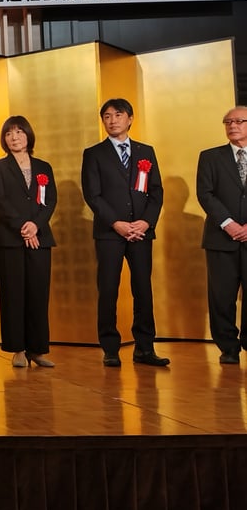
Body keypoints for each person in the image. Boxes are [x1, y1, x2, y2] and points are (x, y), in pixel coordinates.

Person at [81, 98, 168, 367]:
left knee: (143, 289)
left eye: (118, 115)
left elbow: (156, 191)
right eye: (107, 116)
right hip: (110, 233)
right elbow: (93, 195)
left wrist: (146, 222)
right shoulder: (94, 153)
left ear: (130, 119)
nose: (112, 120)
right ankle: (110, 348)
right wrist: (115, 223)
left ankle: (145, 348)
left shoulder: (146, 151)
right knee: (108, 289)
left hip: (141, 233)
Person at [0, 116, 57, 368]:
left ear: (28, 135)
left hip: (40, 238)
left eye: (18, 132)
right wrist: (23, 227)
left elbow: (50, 200)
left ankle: (37, 349)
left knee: (38, 294)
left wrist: (35, 225)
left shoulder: (43, 167)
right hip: (9, 239)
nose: (14, 137)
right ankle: (17, 349)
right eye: (8, 133)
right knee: (12, 294)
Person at [195, 106, 247, 365]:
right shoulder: (210, 157)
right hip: (220, 238)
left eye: (238, 121)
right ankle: (228, 347)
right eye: (228, 122)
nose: (232, 126)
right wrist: (228, 224)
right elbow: (205, 194)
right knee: (221, 296)